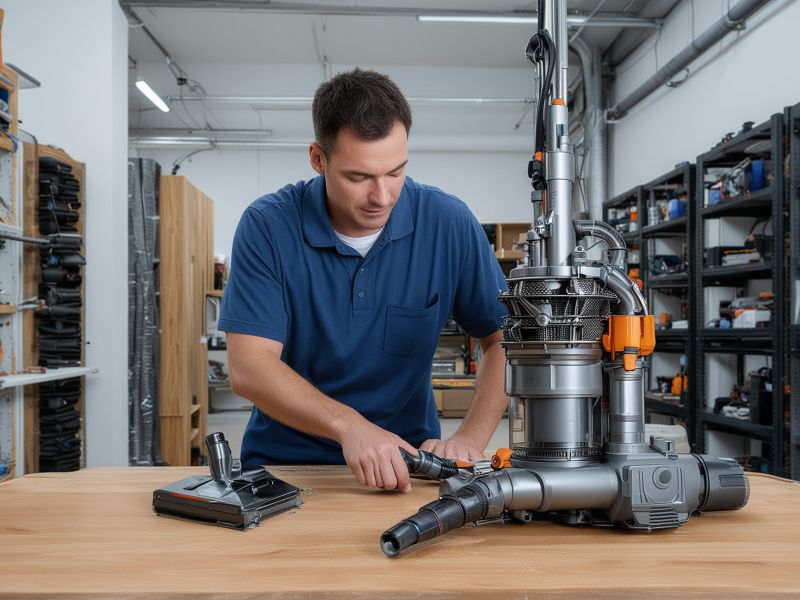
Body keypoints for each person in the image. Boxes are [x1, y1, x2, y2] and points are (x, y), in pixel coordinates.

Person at [219, 68, 508, 493]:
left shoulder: (448, 223)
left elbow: (505, 340)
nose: (382, 196)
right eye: (358, 177)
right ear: (318, 158)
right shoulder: (267, 226)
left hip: (411, 469)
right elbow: (249, 367)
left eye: (395, 172)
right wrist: (349, 426)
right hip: (285, 470)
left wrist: (469, 438)